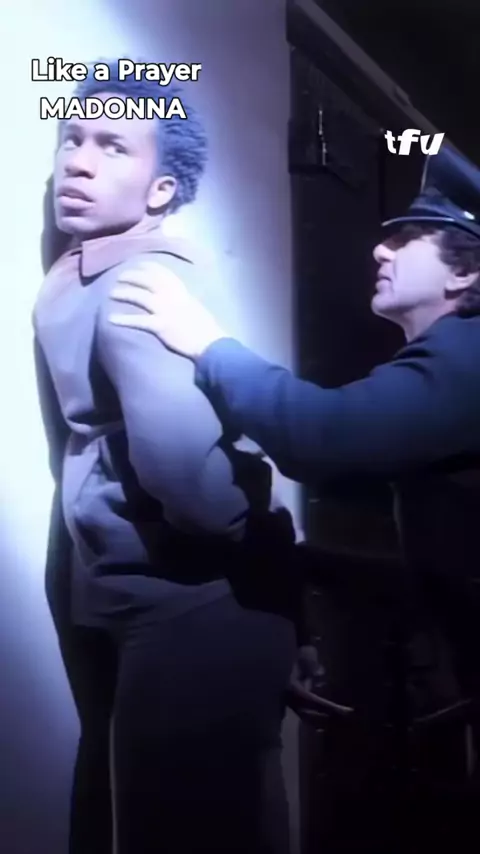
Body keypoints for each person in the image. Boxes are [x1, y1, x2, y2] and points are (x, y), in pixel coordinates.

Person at [109, 144, 480, 786]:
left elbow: (322, 438)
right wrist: (284, 607)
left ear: (465, 274)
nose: (380, 250)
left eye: (408, 238)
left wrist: (209, 345)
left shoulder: (466, 359)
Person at [33, 58, 325, 854]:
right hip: (171, 598)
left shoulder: (136, 281)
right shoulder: (87, 277)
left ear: (161, 189)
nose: (79, 161)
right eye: (72, 139)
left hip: (197, 601)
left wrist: (265, 561)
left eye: (113, 147)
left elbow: (187, 483)